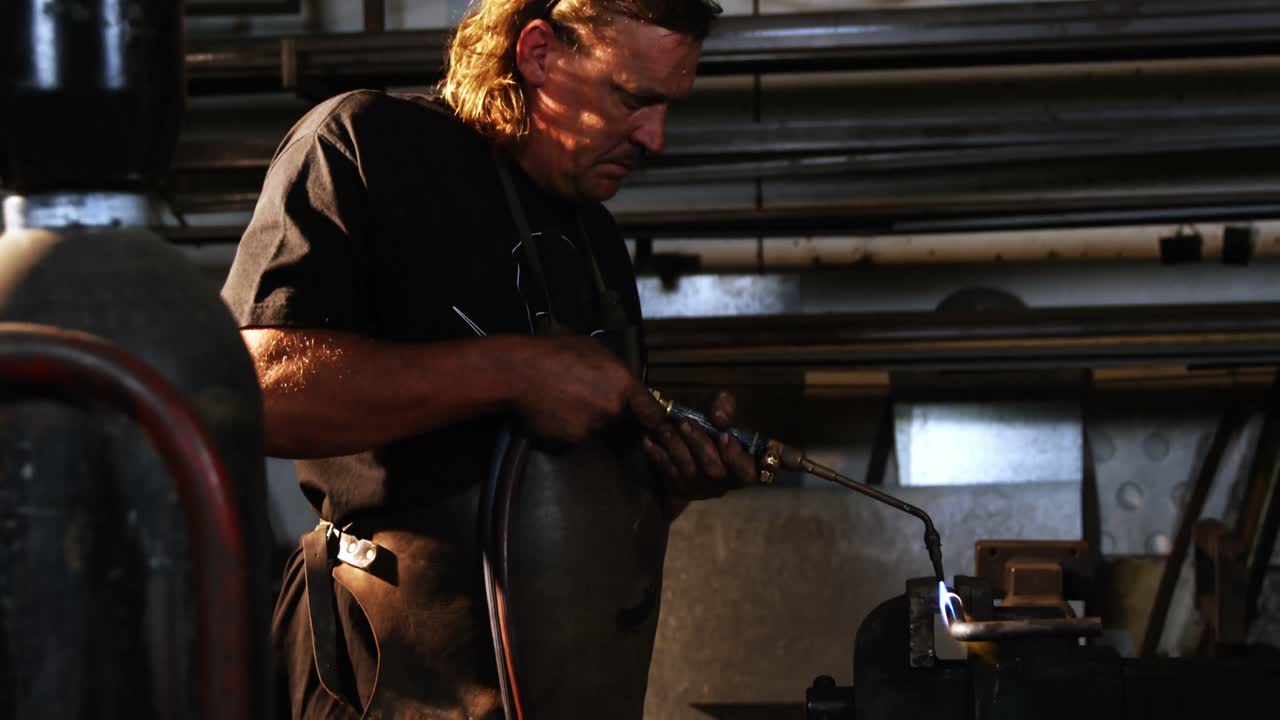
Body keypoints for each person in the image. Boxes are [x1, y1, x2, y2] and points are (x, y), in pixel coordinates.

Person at [220, 0, 756, 717]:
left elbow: (573, 499)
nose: (655, 137)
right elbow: (251, 389)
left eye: (669, 107)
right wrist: (514, 372)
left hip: (568, 680)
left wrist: (669, 482)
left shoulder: (593, 241)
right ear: (538, 53)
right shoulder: (365, 147)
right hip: (385, 683)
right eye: (633, 98)